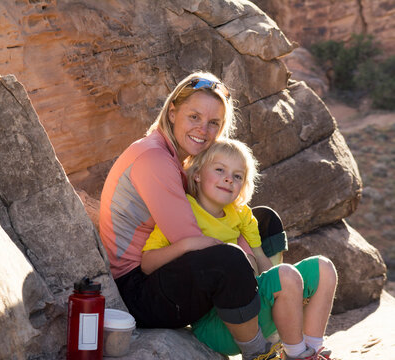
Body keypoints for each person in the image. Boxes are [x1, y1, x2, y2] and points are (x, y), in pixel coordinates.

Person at [100, 71, 279, 360]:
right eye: (194, 117)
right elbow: (192, 240)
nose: (203, 130)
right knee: (229, 260)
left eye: (214, 123)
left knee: (262, 223)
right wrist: (247, 262)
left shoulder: (174, 158)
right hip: (136, 292)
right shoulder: (154, 159)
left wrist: (253, 257)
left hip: (164, 274)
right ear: (172, 112)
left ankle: (269, 305)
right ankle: (258, 350)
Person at [141, 139, 338, 360]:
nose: (229, 179)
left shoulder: (241, 214)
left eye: (238, 176)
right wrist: (187, 244)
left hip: (248, 305)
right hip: (215, 325)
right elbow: (147, 264)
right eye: (219, 170)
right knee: (286, 275)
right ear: (197, 174)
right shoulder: (184, 211)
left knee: (324, 268)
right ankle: (297, 355)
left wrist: (288, 296)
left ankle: (313, 349)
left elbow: (263, 264)